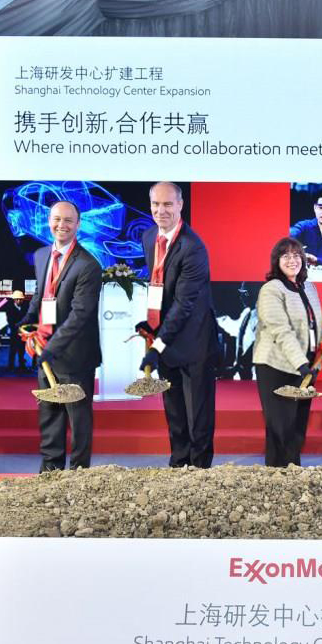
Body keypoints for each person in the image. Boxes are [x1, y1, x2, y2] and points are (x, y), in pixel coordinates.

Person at [136, 182, 219, 468]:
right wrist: (152, 325)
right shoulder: (149, 237)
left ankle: (198, 472)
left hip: (194, 342)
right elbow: (158, 285)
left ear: (181, 205)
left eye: (168, 204)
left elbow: (184, 304)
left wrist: (156, 346)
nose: (161, 211)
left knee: (198, 416)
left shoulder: (193, 247)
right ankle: (178, 465)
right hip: (166, 338)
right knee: (174, 412)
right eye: (156, 204)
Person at [20, 200, 102, 471]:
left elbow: (80, 315)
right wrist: (27, 321)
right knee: (49, 416)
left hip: (75, 356)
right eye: (56, 219)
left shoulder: (88, 265)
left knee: (78, 420)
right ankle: (50, 472)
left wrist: (51, 348)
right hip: (45, 351)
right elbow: (41, 295)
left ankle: (79, 475)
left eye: (68, 220)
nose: (61, 225)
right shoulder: (41, 255)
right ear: (48, 221)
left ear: (78, 224)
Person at [253, 238, 322, 466]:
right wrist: (301, 364)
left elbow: (314, 322)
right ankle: (278, 474)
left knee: (297, 426)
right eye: (286, 256)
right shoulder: (271, 289)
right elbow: (280, 330)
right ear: (276, 261)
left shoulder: (309, 287)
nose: (292, 260)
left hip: (305, 367)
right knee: (281, 427)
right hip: (276, 366)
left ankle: (292, 473)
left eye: (296, 255)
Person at [289, 190, 322, 266]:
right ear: (315, 208)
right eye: (321, 207)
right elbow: (292, 232)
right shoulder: (304, 226)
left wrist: (317, 260)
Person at [4, 290, 30, 373]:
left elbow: (27, 318)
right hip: (14, 332)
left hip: (23, 332)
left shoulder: (26, 307)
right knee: (13, 350)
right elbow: (10, 321)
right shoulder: (9, 308)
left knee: (22, 350)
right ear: (14, 299)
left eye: (20, 299)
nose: (19, 301)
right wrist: (17, 327)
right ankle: (10, 366)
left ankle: (22, 366)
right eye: (17, 299)